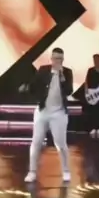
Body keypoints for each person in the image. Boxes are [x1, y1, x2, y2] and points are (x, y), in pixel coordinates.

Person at [23, 47, 73, 183]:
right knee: (36, 141)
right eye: (55, 58)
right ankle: (32, 172)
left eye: (60, 59)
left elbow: (69, 91)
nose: (58, 61)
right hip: (43, 111)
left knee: (60, 144)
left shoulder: (67, 72)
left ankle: (66, 171)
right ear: (51, 59)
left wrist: (62, 79)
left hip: (59, 113)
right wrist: (27, 87)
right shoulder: (43, 70)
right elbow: (33, 86)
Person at [84, 54, 99, 138]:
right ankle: (93, 128)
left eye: (96, 59)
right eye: (94, 60)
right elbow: (86, 81)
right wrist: (86, 89)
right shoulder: (90, 70)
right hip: (92, 93)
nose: (95, 61)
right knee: (93, 111)